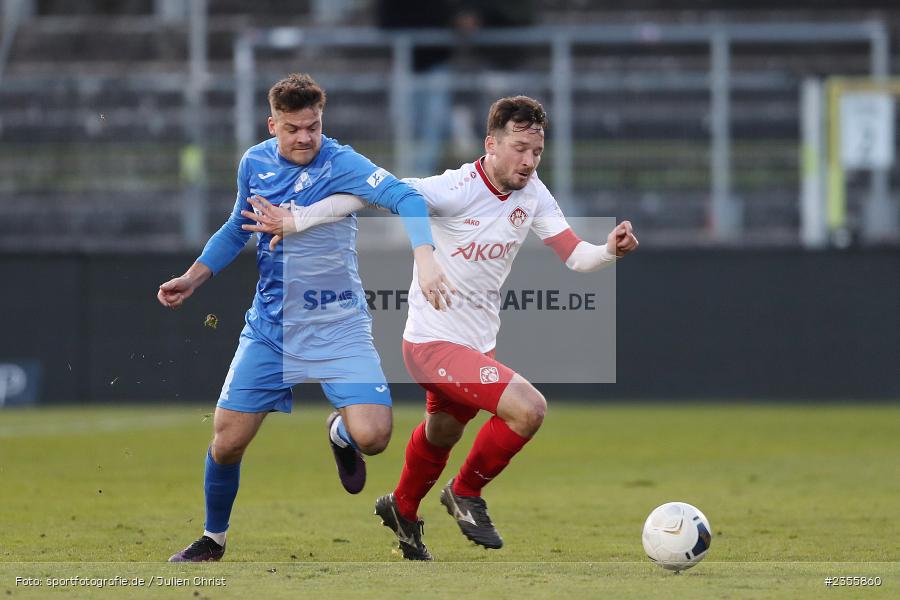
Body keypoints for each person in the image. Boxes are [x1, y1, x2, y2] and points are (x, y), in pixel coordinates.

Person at [246, 95, 638, 560]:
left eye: (536, 152)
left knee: (441, 434)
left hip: (476, 347)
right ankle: (465, 492)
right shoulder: (453, 188)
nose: (529, 161)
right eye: (519, 148)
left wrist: (609, 249)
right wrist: (298, 218)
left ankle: (402, 507)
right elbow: (370, 193)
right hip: (432, 344)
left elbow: (576, 255)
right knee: (529, 409)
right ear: (491, 143)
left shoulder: (533, 195)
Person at [158, 73, 452, 562]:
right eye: (293, 128)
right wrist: (194, 277)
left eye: (313, 126)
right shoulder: (253, 162)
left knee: (375, 437)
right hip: (272, 329)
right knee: (227, 443)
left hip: (339, 326)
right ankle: (214, 538)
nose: (305, 138)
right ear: (272, 125)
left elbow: (407, 197)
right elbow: (238, 227)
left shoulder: (342, 163)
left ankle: (340, 434)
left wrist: (424, 256)